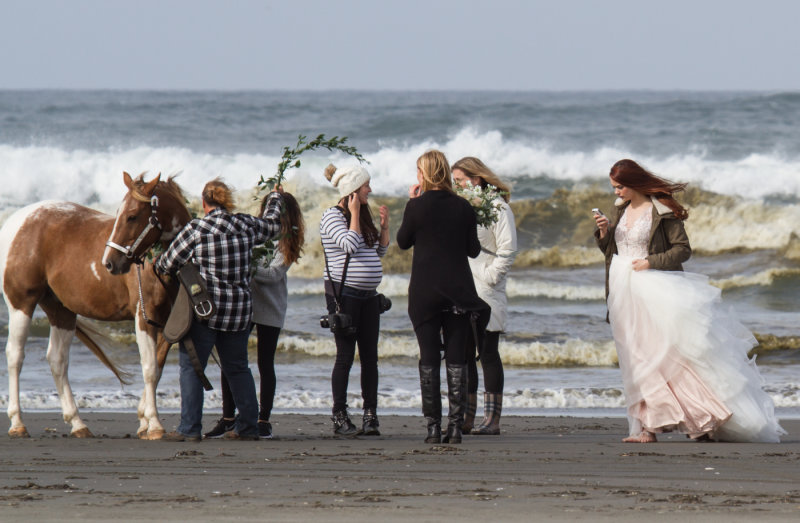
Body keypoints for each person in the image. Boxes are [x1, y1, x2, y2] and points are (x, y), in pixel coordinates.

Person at [594, 159, 785, 443]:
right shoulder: (619, 211)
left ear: (634, 183)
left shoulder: (661, 210)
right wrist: (604, 233)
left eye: (620, 187)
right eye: (614, 188)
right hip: (623, 291)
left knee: (667, 356)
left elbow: (683, 250)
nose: (616, 193)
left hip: (655, 289)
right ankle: (647, 427)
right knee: (635, 359)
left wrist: (650, 262)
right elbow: (611, 251)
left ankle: (700, 418)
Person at [156, 179, 283, 441]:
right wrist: (274, 199)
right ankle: (248, 427)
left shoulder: (197, 229)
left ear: (204, 203)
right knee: (237, 368)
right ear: (227, 201)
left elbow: (167, 264)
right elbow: (273, 226)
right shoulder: (245, 224)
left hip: (206, 312)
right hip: (239, 313)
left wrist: (160, 260)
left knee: (192, 368)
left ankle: (190, 429)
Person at [396, 150, 490, 444]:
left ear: (424, 175)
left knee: (428, 357)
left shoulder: (416, 207)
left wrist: (412, 204)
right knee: (457, 359)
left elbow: (402, 242)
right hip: (458, 291)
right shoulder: (463, 207)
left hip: (424, 291)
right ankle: (455, 427)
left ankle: (433, 427)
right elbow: (473, 250)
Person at [204, 193, 305, 440]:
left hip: (271, 307)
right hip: (246, 304)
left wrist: (244, 262)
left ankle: (263, 419)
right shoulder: (256, 231)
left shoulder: (287, 240)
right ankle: (228, 417)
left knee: (265, 363)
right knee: (233, 360)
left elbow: (272, 274)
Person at [320, 163, 389, 436]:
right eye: (365, 186)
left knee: (370, 357)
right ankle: (339, 416)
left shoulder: (363, 214)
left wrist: (384, 228)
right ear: (352, 190)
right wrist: (354, 214)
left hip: (369, 297)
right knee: (345, 357)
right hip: (344, 296)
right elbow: (349, 244)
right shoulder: (331, 217)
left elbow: (378, 253)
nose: (370, 190)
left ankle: (370, 415)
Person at [451, 157, 517, 435]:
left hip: (487, 285)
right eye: (454, 183)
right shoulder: (463, 207)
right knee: (464, 353)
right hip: (464, 284)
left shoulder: (498, 207)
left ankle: (493, 420)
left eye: (460, 181)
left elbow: (508, 248)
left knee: (487, 351)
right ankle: (468, 416)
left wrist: (491, 277)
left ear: (476, 180)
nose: (456, 187)